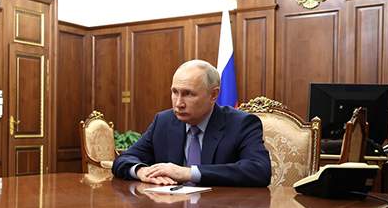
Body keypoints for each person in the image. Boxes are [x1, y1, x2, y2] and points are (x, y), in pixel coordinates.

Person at [111, 59, 271, 187]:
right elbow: (124, 159)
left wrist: (188, 173)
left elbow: (259, 170)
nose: (178, 103)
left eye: (188, 94)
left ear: (213, 95)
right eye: (175, 92)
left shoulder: (241, 124)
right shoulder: (164, 121)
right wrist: (141, 171)